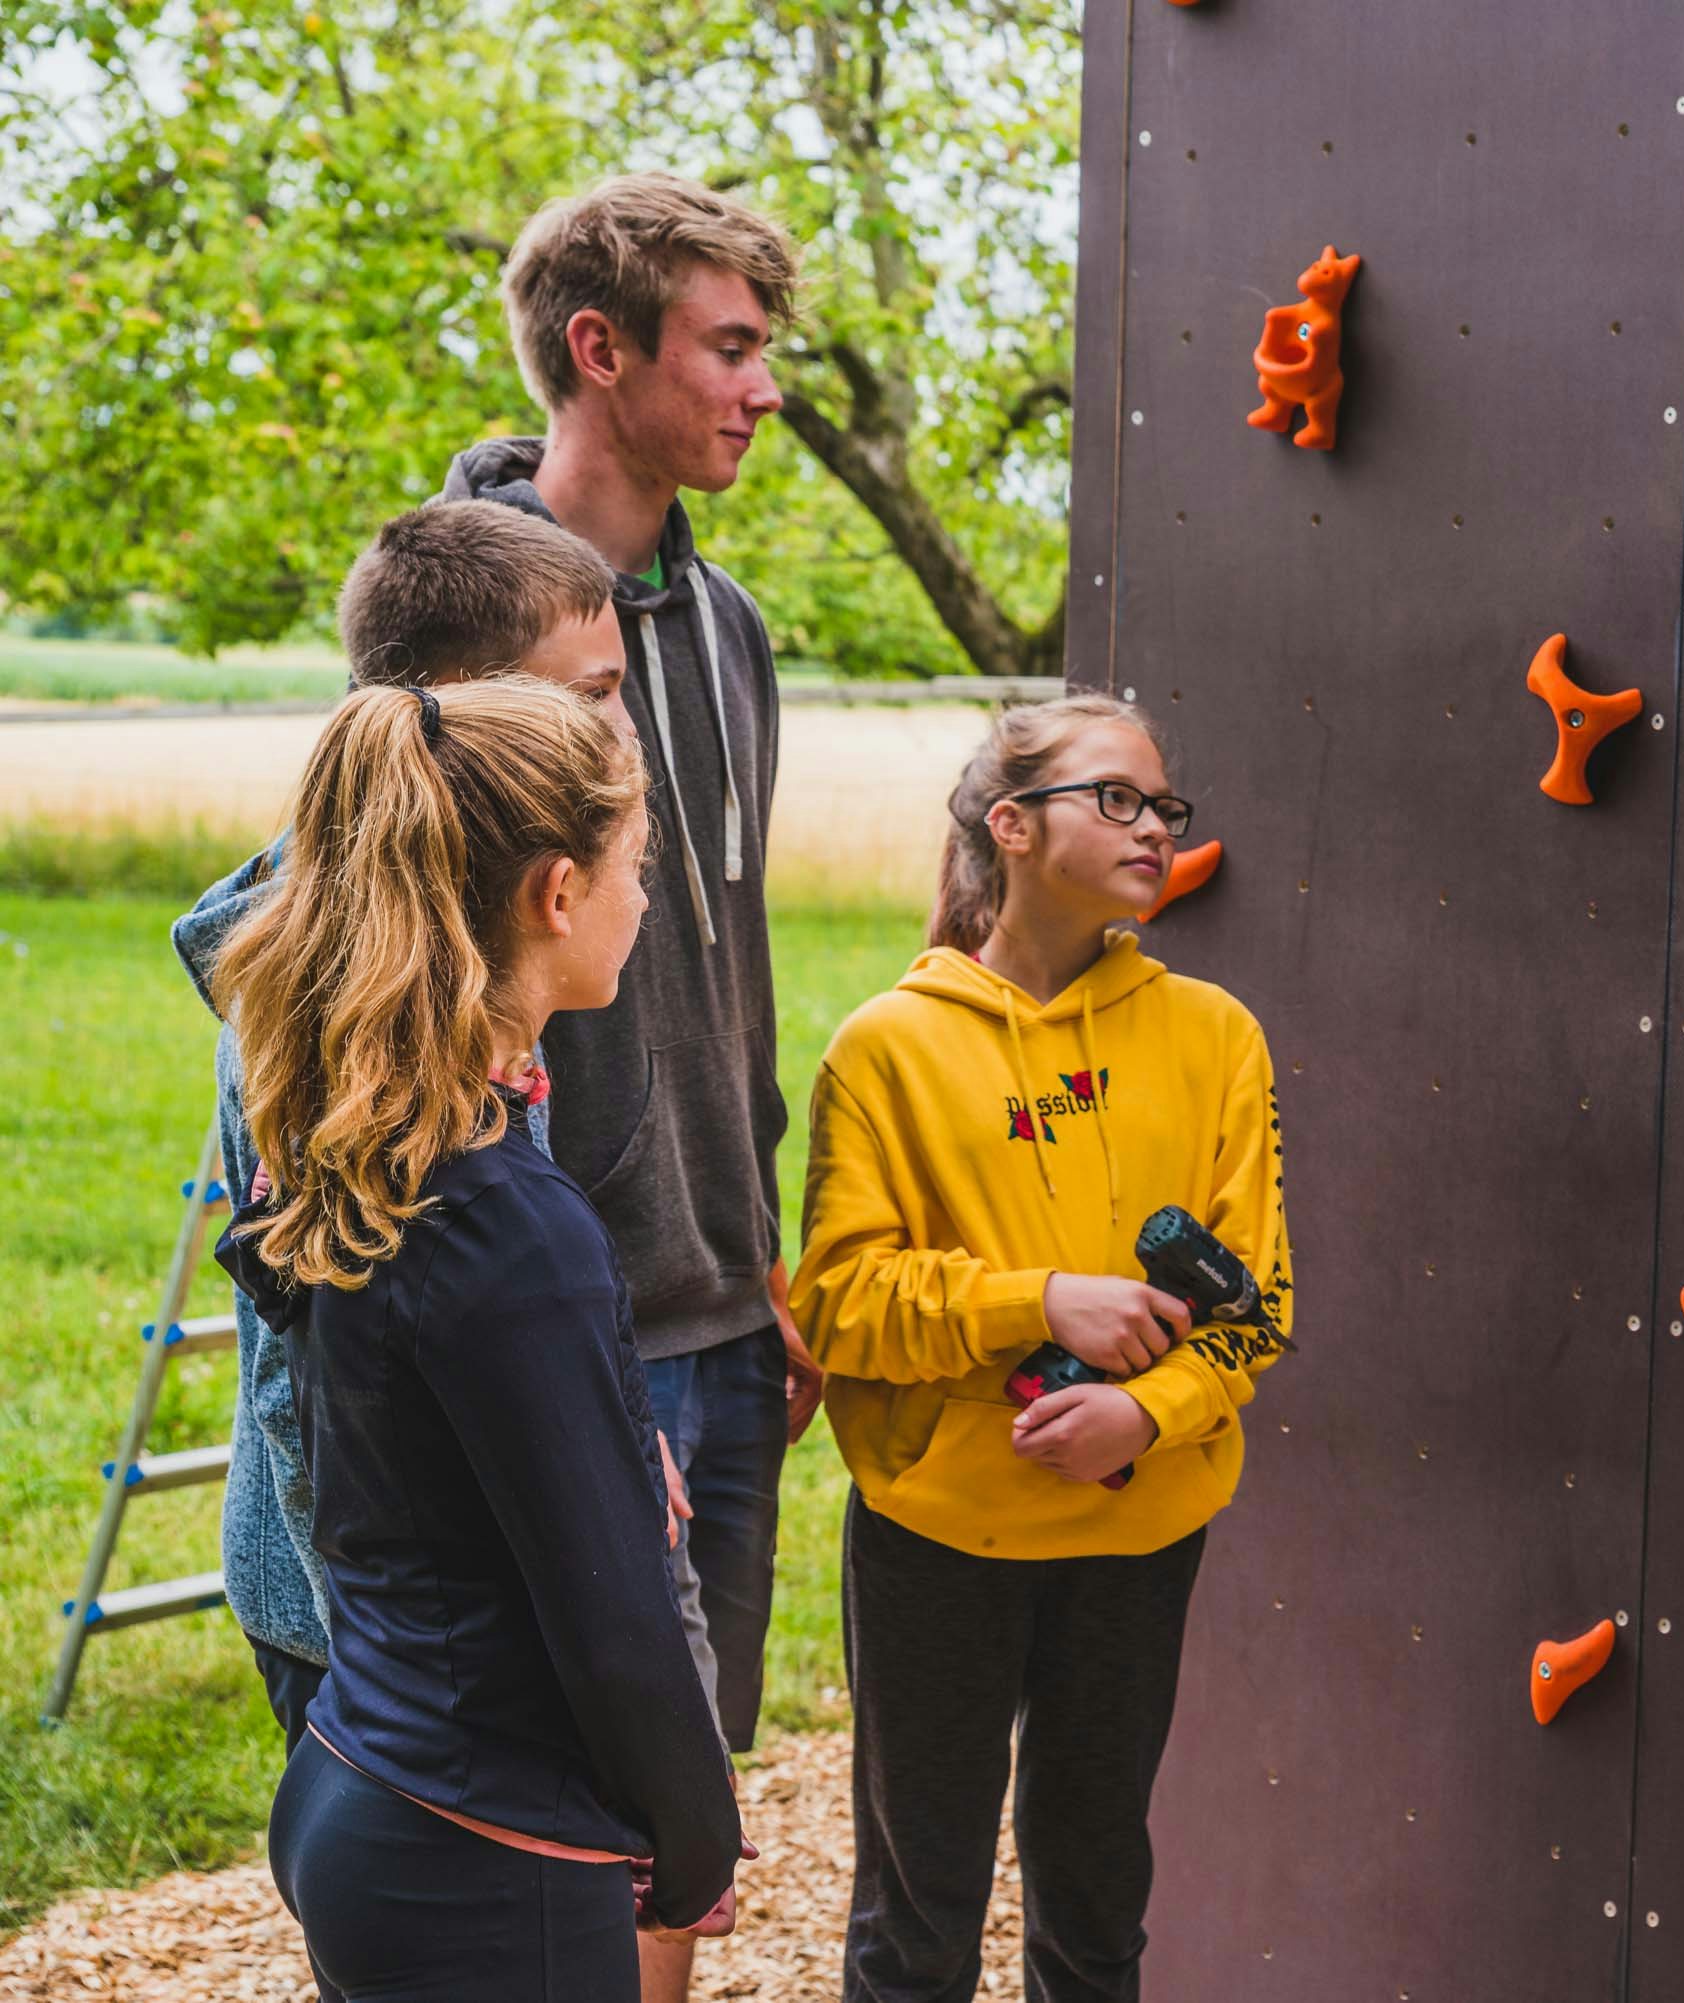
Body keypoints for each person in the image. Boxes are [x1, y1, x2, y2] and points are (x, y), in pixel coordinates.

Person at [211, 676, 742, 2001]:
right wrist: (695, 1841)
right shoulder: (507, 1220)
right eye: (635, 864)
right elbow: (611, 1610)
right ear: (557, 892)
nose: (644, 899)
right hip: (483, 1856)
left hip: (364, 1772)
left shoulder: (363, 1142)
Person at [454, 172, 826, 2001]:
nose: (766, 388)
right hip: (559, 1302)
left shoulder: (733, 626)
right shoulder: (462, 622)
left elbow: (721, 962)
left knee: (685, 1797)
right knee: (566, 1797)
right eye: (731, 348)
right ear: (599, 350)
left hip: (724, 1305)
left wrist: (760, 1251)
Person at [788, 694, 1296, 2003]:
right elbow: (838, 1302)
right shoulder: (888, 1047)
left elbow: (1259, 1303)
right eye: (1114, 798)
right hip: (936, 1537)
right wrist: (1039, 1301)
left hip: (1137, 1533)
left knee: (1096, 1912)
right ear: (1011, 826)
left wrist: (1150, 1410)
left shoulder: (1216, 1036)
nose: (1154, 826)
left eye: (1164, 805)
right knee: (917, 1924)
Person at [172, 500, 634, 1752]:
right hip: (377, 1643)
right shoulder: (332, 995)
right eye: (592, 696)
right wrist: (382, 1673)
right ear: (460, 710)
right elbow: (305, 1378)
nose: (622, 732)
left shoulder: (457, 941)